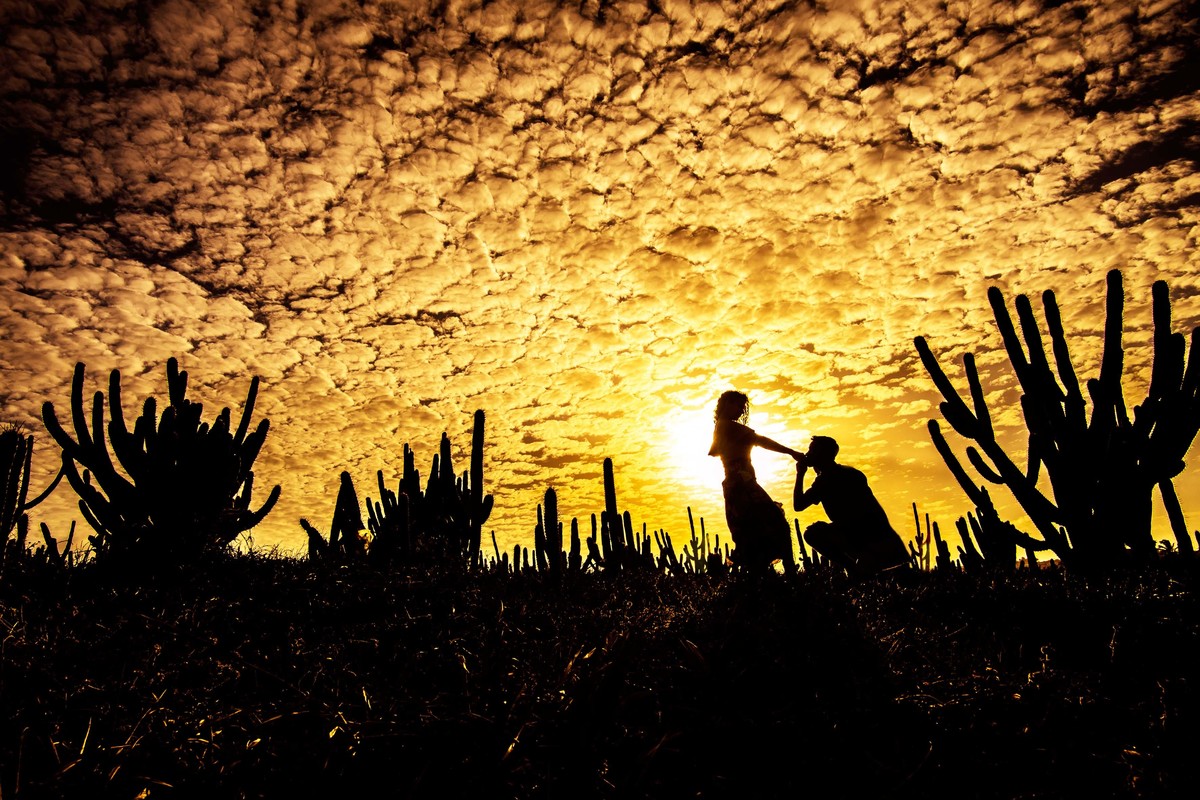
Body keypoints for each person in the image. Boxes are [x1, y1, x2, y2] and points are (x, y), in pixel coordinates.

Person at [708, 390, 803, 572]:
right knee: (776, 523)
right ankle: (790, 572)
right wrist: (791, 452)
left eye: (742, 407)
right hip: (742, 483)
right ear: (726, 404)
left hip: (737, 483)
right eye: (737, 405)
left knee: (753, 529)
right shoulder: (728, 426)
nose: (740, 410)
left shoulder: (721, 428)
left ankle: (760, 575)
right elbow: (760, 441)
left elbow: (716, 451)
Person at [793, 435, 909, 577]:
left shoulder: (826, 479)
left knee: (812, 533)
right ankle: (863, 567)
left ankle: (853, 569)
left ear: (822, 454)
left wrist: (800, 474)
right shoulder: (849, 472)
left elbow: (798, 505)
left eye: (812, 450)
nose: (807, 454)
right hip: (875, 531)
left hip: (859, 532)